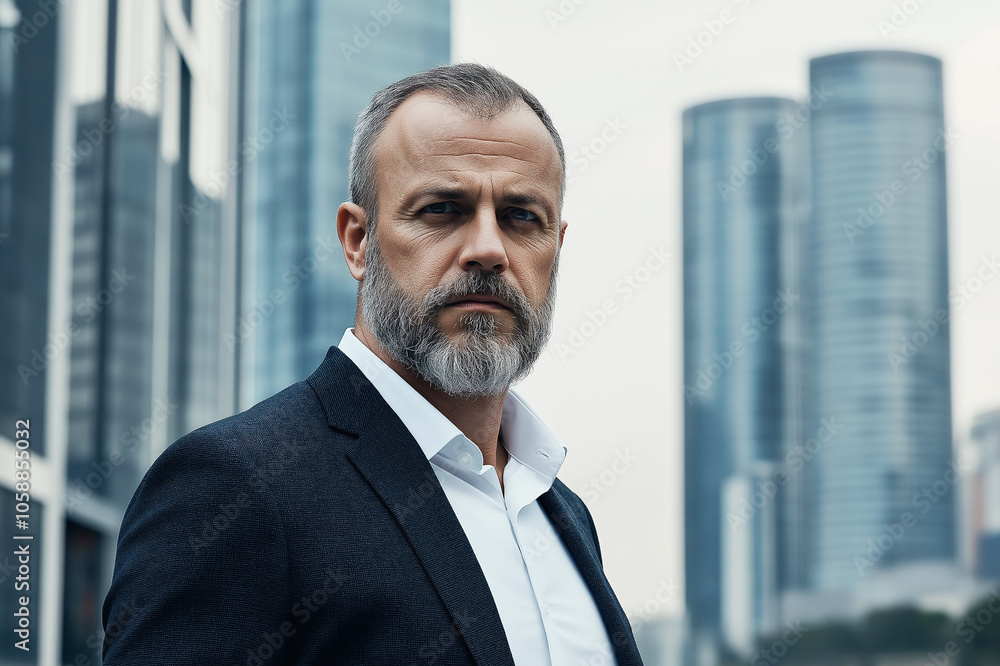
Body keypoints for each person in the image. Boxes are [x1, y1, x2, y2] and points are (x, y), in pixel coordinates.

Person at [102, 63, 643, 666]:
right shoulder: (235, 488)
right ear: (358, 241)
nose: (489, 249)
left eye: (522, 217)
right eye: (442, 209)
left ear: (556, 249)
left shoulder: (563, 512)